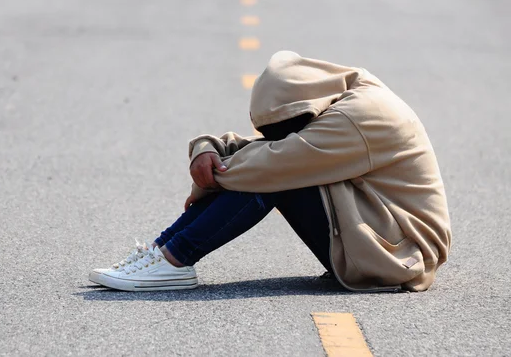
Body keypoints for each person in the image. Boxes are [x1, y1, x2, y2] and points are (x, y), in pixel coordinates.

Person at [89, 51, 451, 292]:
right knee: (268, 165)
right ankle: (159, 252)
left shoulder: (359, 118)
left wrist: (207, 182)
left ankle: (173, 259)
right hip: (378, 232)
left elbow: (274, 161)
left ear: (302, 109)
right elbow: (266, 148)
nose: (278, 137)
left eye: (284, 128)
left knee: (273, 175)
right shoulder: (341, 96)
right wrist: (208, 146)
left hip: (401, 256)